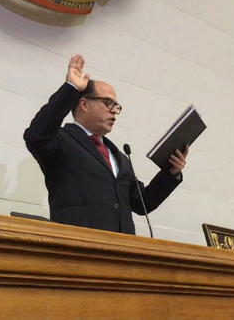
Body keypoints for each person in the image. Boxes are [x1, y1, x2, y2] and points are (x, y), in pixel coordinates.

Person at [24, 54, 189, 235]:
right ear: (84, 104)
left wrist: (170, 173)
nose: (114, 111)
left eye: (116, 106)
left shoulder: (119, 156)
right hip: (78, 246)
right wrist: (70, 89)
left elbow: (142, 203)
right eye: (108, 102)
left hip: (122, 251)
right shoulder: (62, 140)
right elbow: (36, 135)